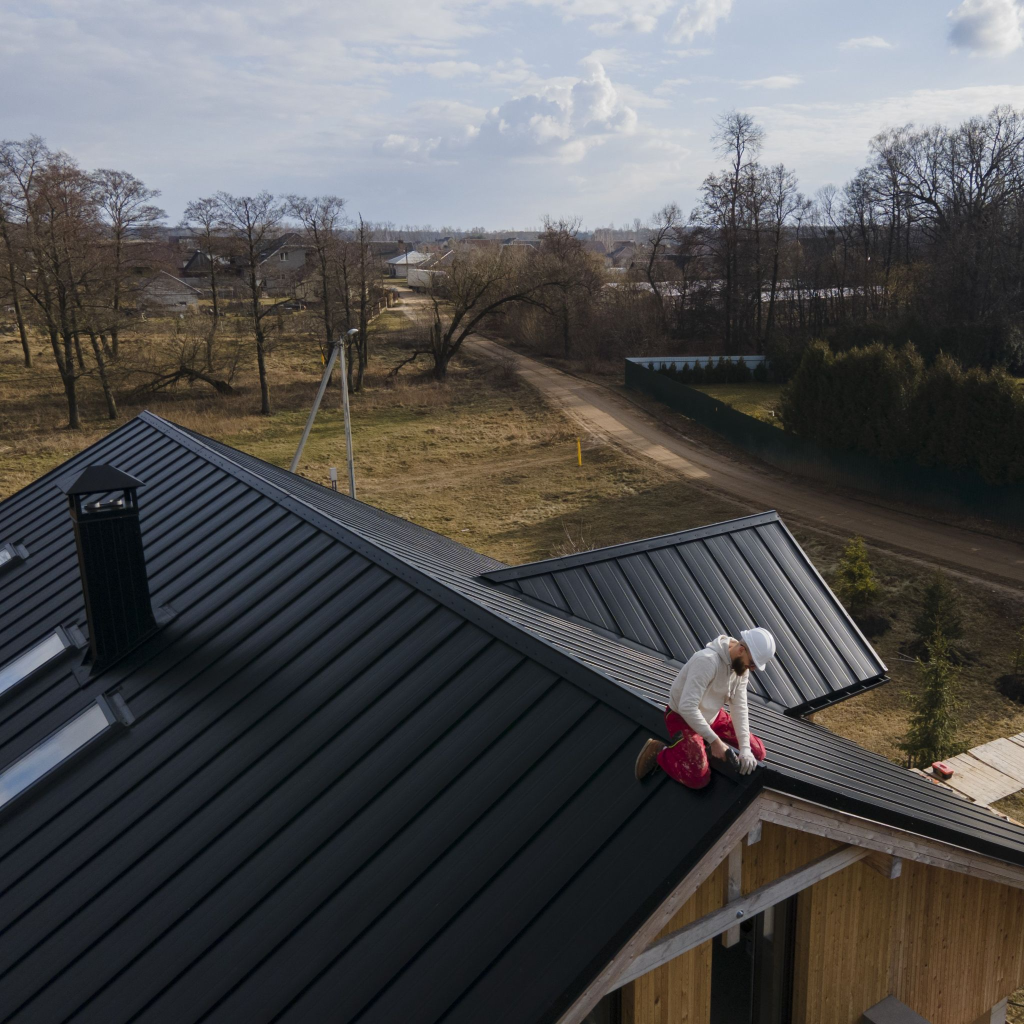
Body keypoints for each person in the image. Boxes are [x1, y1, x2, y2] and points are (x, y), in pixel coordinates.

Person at [634, 628, 776, 788]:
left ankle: (704, 742)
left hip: (712, 715)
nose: (752, 669)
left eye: (755, 666)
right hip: (683, 717)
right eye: (752, 663)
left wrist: (745, 749)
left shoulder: (740, 668)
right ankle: (660, 752)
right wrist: (715, 742)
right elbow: (687, 707)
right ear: (741, 649)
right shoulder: (707, 661)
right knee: (698, 778)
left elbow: (739, 707)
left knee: (758, 752)